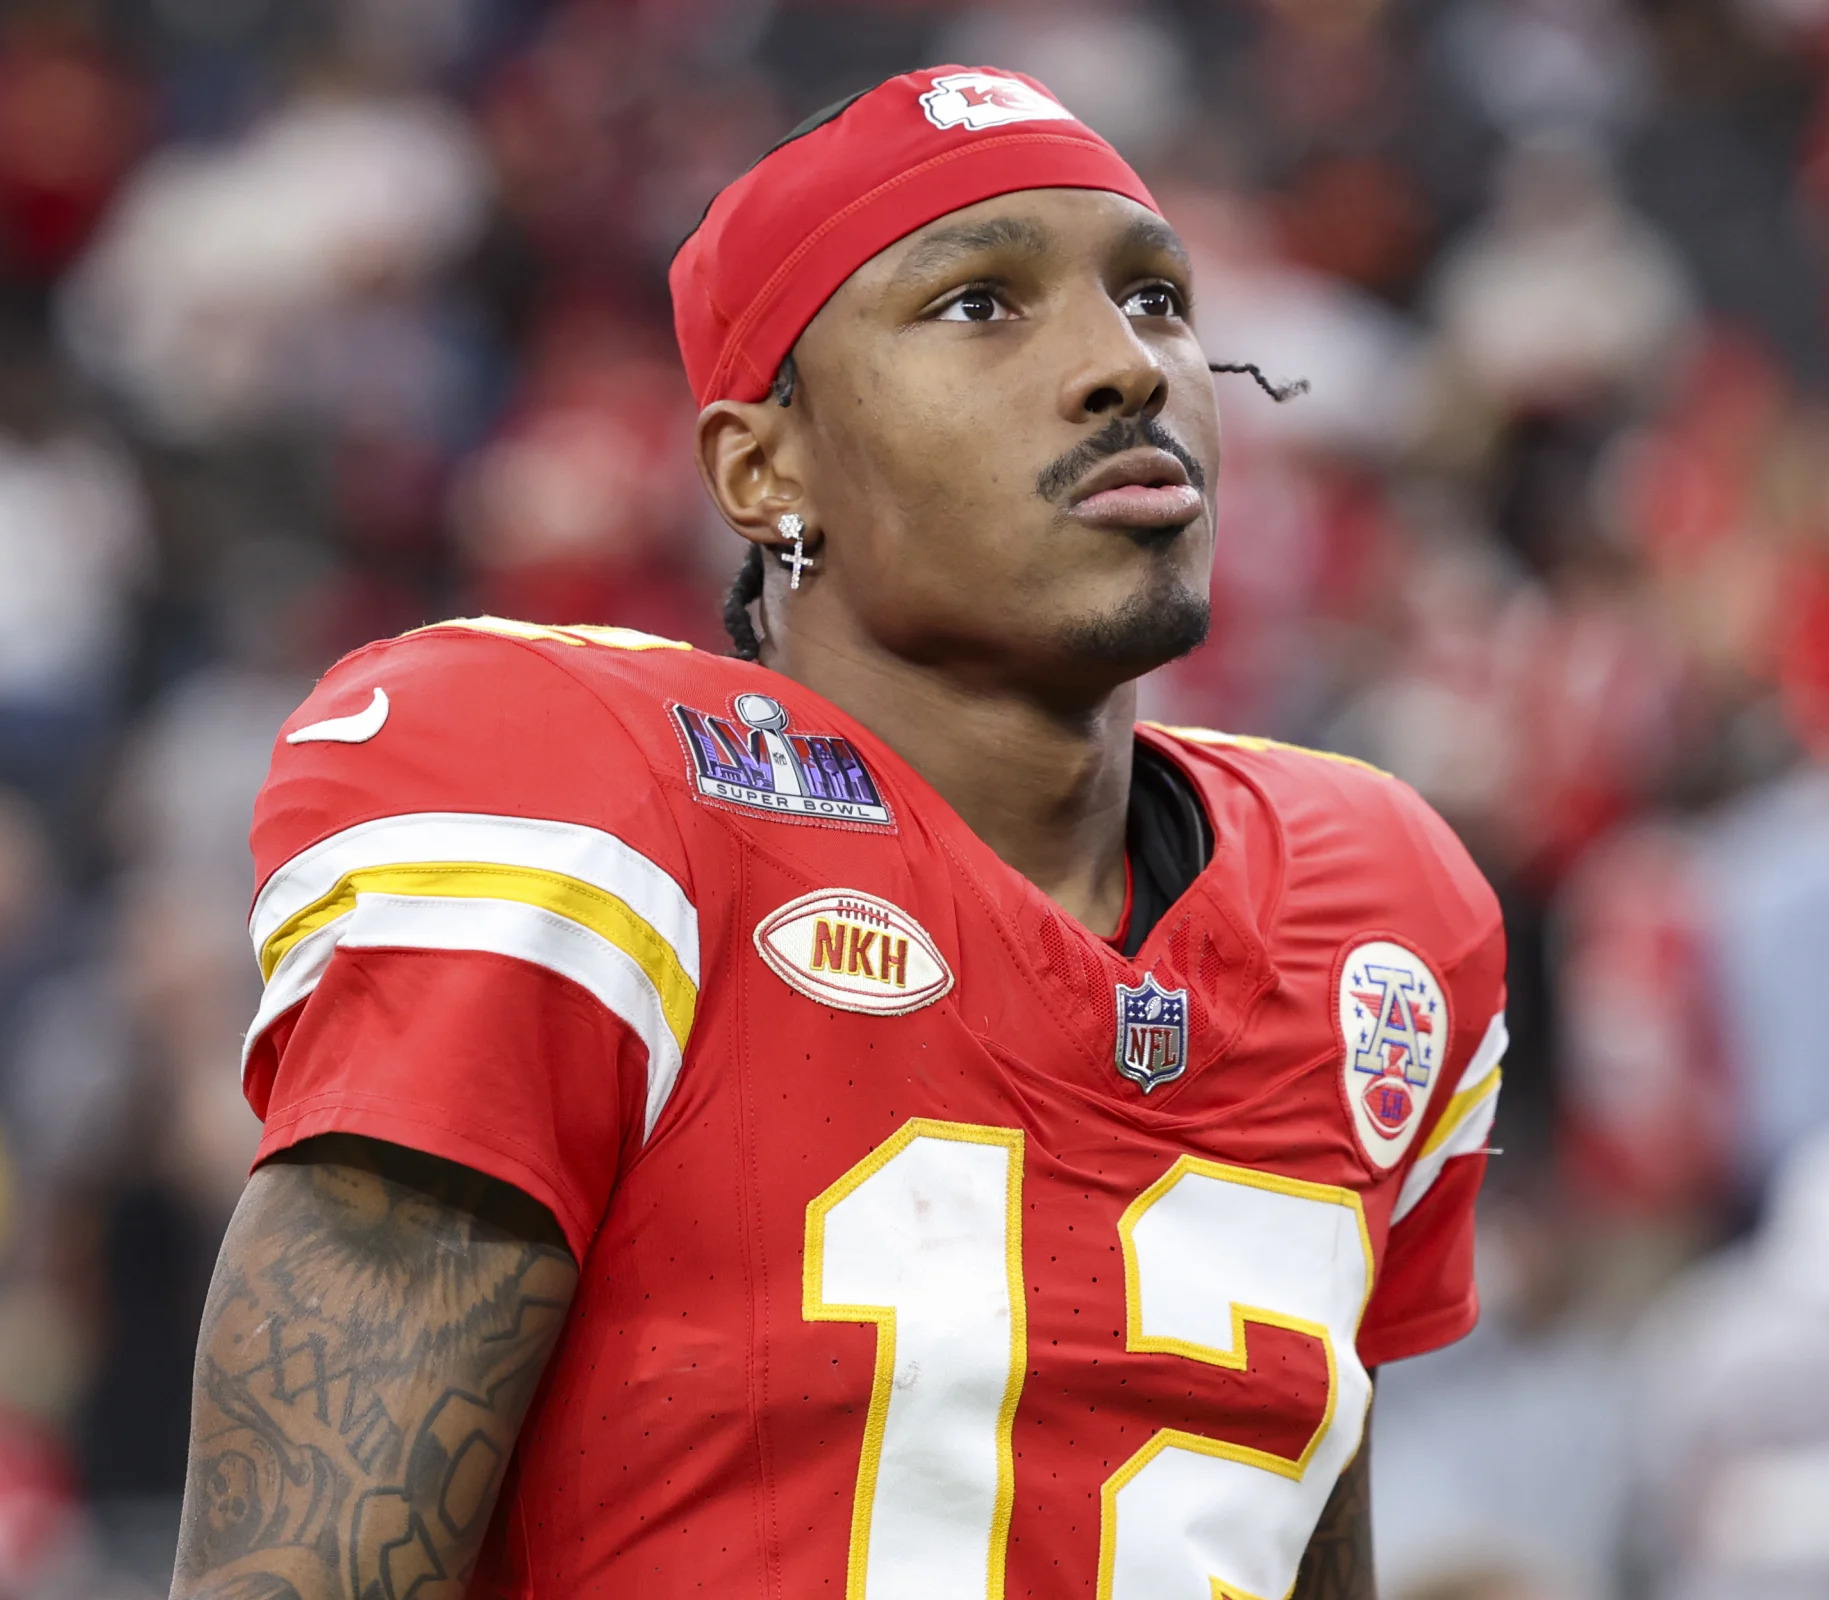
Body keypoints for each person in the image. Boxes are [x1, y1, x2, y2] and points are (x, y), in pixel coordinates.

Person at [172, 65, 1507, 1600]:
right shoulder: (605, 809)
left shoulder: (1380, 912)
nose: (1123, 367)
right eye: (980, 306)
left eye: (1153, 298)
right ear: (765, 469)